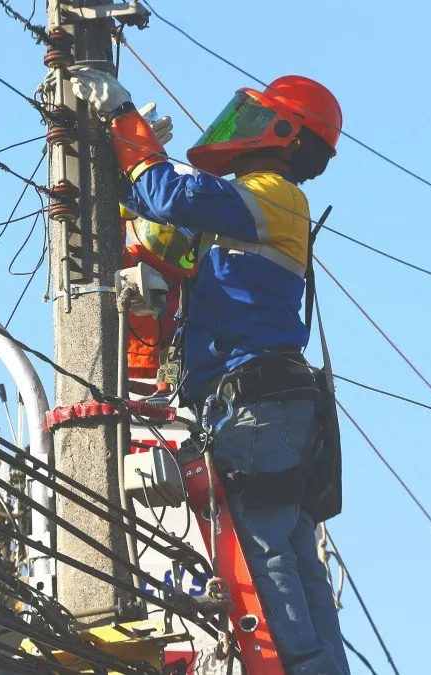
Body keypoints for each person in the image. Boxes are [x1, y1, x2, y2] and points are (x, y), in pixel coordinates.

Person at [68, 67, 349, 675]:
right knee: (295, 548)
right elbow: (164, 236)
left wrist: (124, 122)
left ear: (282, 131)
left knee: (265, 546)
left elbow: (170, 195)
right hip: (273, 402)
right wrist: (125, 175)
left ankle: (296, 666)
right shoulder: (247, 213)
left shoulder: (273, 193)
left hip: (256, 400)